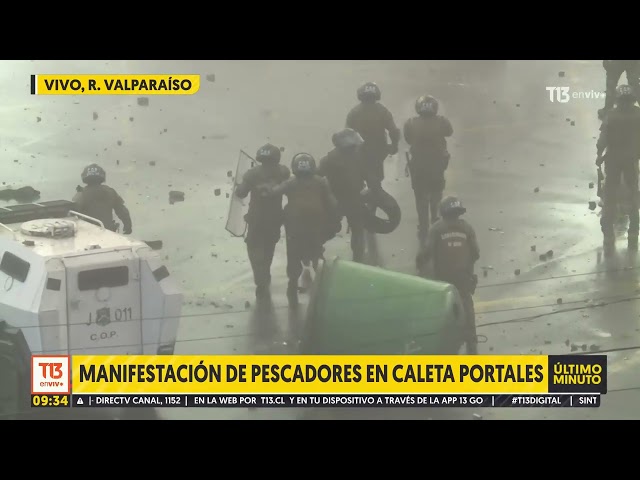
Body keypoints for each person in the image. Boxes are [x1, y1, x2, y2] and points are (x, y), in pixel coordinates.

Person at [266, 153, 339, 306]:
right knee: (317, 250)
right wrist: (334, 219)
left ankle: (292, 283)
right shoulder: (321, 182)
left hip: (294, 224)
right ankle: (322, 280)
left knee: (293, 253)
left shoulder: (291, 183)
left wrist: (269, 186)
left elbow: (273, 192)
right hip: (316, 222)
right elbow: (332, 203)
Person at [415, 196, 480, 354]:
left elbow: (427, 252)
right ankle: (471, 341)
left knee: (443, 309)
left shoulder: (436, 229)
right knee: (466, 304)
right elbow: (476, 253)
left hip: (443, 278)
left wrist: (419, 264)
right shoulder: (467, 228)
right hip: (464, 278)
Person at [235, 144, 290, 299]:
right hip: (275, 218)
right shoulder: (282, 172)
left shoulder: (252, 174)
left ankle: (260, 278)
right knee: (269, 246)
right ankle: (265, 273)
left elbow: (241, 193)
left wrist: (239, 186)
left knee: (253, 246)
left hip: (256, 218)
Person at [403, 95, 454, 242]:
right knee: (436, 193)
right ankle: (436, 219)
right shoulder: (442, 122)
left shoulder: (411, 123)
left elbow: (407, 139)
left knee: (420, 197)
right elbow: (449, 132)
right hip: (437, 166)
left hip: (418, 166)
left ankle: (423, 225)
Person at [596, 84, 640, 252]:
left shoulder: (612, 115)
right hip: (631, 160)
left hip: (613, 160)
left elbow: (603, 137)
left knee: (610, 197)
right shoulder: (638, 115)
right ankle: (634, 232)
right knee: (633, 194)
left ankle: (608, 234)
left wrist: (599, 154)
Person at [318, 128, 368, 262]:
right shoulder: (355, 156)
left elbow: (317, 176)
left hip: (341, 199)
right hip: (344, 199)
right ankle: (358, 259)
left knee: (350, 229)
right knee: (354, 230)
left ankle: (317, 250)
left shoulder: (330, 158)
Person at [345, 82, 401, 194]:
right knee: (375, 184)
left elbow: (347, 133)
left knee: (358, 182)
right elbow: (394, 131)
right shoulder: (382, 111)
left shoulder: (354, 112)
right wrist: (394, 145)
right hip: (377, 153)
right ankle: (373, 205)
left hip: (358, 153)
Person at [73, 164, 132, 234]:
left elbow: (73, 213)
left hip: (88, 232)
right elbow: (122, 211)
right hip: (107, 231)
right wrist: (127, 226)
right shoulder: (110, 192)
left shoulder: (81, 194)